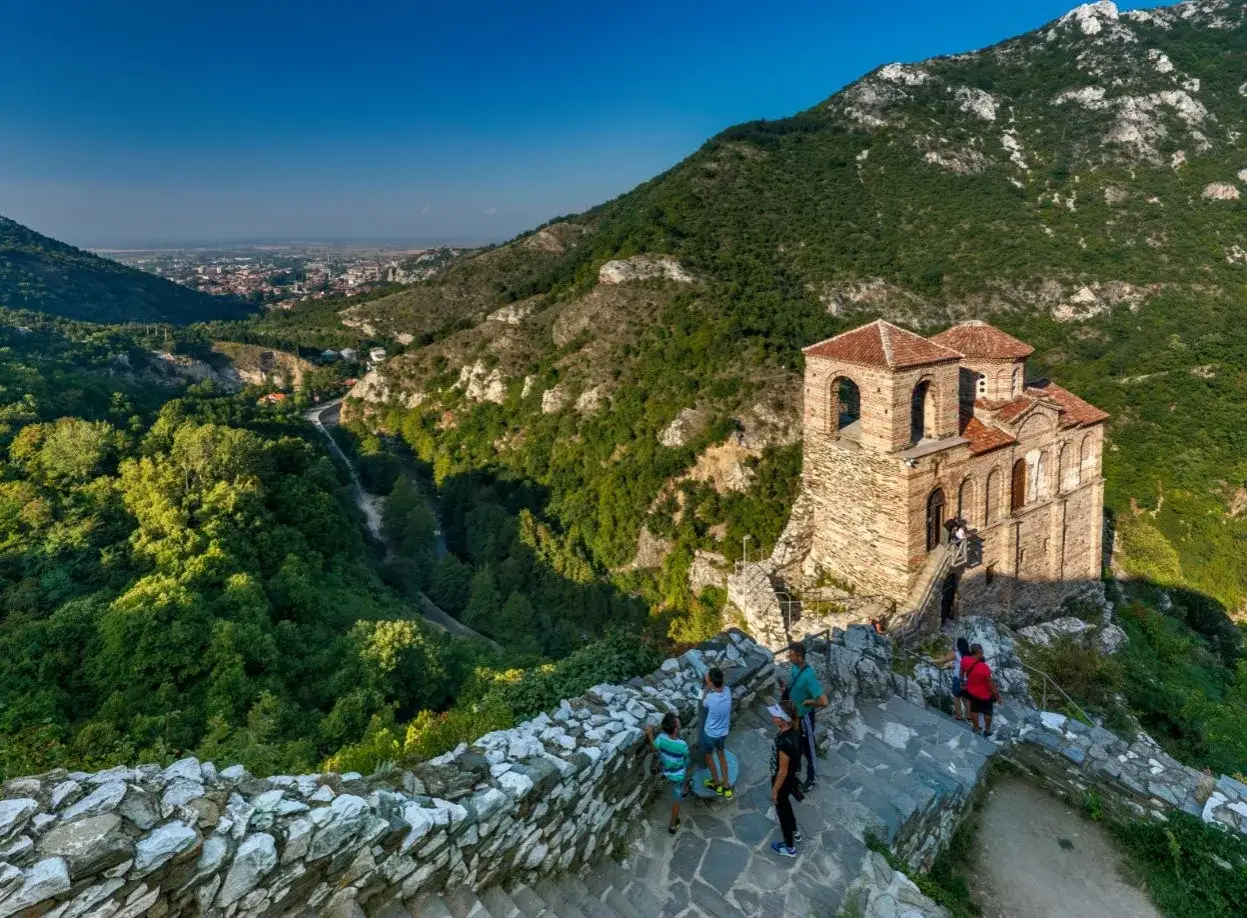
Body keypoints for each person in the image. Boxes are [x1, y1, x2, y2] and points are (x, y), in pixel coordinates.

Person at [778, 641, 828, 792]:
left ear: (800, 657)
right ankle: (797, 768)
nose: (789, 657)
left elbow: (824, 701)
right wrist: (785, 689)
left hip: (804, 716)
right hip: (794, 714)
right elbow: (794, 685)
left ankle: (812, 778)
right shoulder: (794, 668)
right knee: (796, 741)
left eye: (792, 655)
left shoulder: (809, 676)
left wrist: (810, 701)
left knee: (809, 746)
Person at [768, 699, 803, 858]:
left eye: (775, 715)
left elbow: (782, 771)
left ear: (783, 720)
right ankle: (795, 831)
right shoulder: (793, 732)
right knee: (786, 807)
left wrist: (775, 791)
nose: (772, 717)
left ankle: (789, 848)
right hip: (790, 780)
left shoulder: (785, 743)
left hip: (782, 781)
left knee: (782, 813)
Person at [644, 713, 689, 835]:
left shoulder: (661, 738)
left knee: (683, 774)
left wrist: (649, 734)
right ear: (676, 729)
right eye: (676, 721)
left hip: (667, 771)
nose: (678, 722)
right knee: (677, 800)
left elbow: (654, 748)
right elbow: (685, 756)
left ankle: (685, 789)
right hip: (678, 775)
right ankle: (673, 825)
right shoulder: (682, 745)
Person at [700, 667, 734, 799]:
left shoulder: (710, 698)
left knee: (709, 755)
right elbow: (721, 686)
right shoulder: (728, 691)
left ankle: (716, 784)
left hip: (710, 734)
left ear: (711, 683)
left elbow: (703, 702)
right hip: (723, 732)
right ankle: (726, 785)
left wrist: (707, 687)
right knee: (721, 754)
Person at [960, 643, 1001, 737]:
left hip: (971, 691)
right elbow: (992, 686)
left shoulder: (965, 660)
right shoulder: (985, 668)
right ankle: (987, 730)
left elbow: (961, 672)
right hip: (985, 694)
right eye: (981, 652)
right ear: (979, 652)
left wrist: (962, 682)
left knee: (974, 710)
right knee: (988, 713)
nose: (982, 654)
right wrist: (998, 697)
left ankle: (976, 729)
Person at [934, 637, 972, 722]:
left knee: (957, 696)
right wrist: (954, 666)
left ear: (958, 645)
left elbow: (944, 660)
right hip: (968, 679)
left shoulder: (957, 654)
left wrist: (933, 661)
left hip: (958, 678)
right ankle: (969, 716)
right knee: (967, 698)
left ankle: (959, 715)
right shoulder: (970, 655)